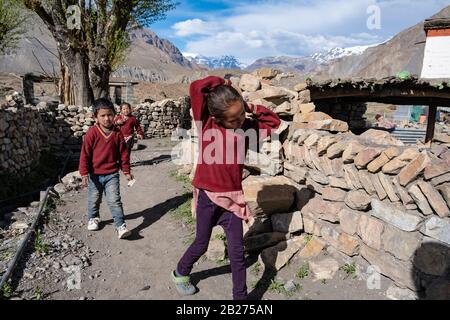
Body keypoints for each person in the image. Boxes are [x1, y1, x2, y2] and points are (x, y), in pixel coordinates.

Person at [171, 76, 281, 300]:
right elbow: (196, 87)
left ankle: (239, 299)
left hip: (232, 202)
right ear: (216, 118)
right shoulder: (206, 124)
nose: (239, 120)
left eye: (241, 115)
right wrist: (223, 83)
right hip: (207, 198)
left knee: (237, 253)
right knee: (201, 243)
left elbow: (273, 122)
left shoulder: (247, 129)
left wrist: (248, 106)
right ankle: (180, 272)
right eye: (233, 119)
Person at [79, 98, 133, 239]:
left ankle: (120, 226)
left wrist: (126, 171)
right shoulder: (92, 132)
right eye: (102, 115)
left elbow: (123, 153)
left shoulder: (117, 133)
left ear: (114, 115)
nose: (106, 118)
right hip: (95, 175)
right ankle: (93, 217)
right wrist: (84, 174)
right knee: (94, 199)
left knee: (114, 200)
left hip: (112, 174)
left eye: (109, 115)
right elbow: (85, 154)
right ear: (95, 117)